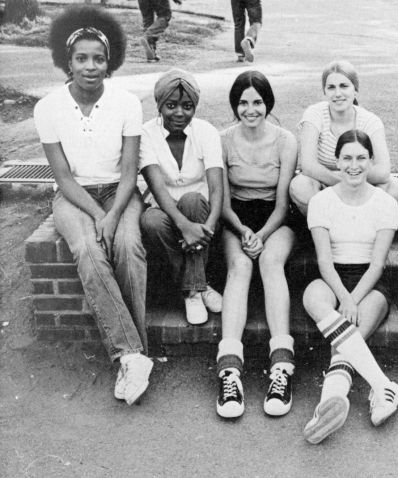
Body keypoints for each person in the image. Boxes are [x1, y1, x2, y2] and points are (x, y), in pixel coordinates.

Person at [34, 5, 152, 405]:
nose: (91, 66)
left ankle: (135, 356)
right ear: (68, 62)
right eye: (81, 59)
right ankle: (132, 355)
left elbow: (130, 170)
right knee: (87, 247)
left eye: (99, 59)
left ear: (109, 62)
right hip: (75, 197)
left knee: (127, 245)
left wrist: (115, 213)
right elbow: (63, 178)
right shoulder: (47, 107)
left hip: (120, 192)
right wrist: (99, 216)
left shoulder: (126, 103)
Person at [302, 129, 398, 445]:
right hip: (333, 277)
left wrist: (354, 299)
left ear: (371, 161)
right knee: (312, 297)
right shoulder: (320, 201)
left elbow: (377, 264)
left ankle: (327, 402)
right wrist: (344, 298)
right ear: (337, 161)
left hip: (370, 282)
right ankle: (384, 387)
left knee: (348, 339)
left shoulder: (386, 203)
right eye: (347, 157)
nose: (354, 165)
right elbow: (324, 261)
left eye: (361, 158)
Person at [216, 71, 298, 419]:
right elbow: (220, 199)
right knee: (241, 265)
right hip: (236, 216)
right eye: (243, 102)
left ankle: (281, 367)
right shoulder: (221, 138)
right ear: (235, 105)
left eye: (258, 102)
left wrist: (261, 235)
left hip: (274, 219)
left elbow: (282, 204)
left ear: (268, 103)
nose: (250, 109)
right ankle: (229, 371)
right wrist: (242, 230)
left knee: (269, 262)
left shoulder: (285, 140)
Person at [139, 69, 224, 326]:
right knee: (151, 221)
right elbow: (157, 188)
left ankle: (191, 291)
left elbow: (217, 188)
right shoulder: (146, 134)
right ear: (159, 105)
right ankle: (198, 288)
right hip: (164, 210)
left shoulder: (207, 131)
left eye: (187, 106)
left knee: (192, 199)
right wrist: (184, 227)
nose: (179, 113)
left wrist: (206, 228)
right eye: (171, 105)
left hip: (200, 212)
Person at [289, 60, 398, 216]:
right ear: (324, 91)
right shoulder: (314, 114)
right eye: (331, 87)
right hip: (325, 185)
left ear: (355, 90)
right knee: (300, 186)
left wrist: (353, 183)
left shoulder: (370, 121)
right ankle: (325, 227)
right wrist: (342, 184)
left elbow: (383, 171)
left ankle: (358, 225)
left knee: (397, 187)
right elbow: (308, 165)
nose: (337, 93)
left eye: (344, 86)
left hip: (359, 183)